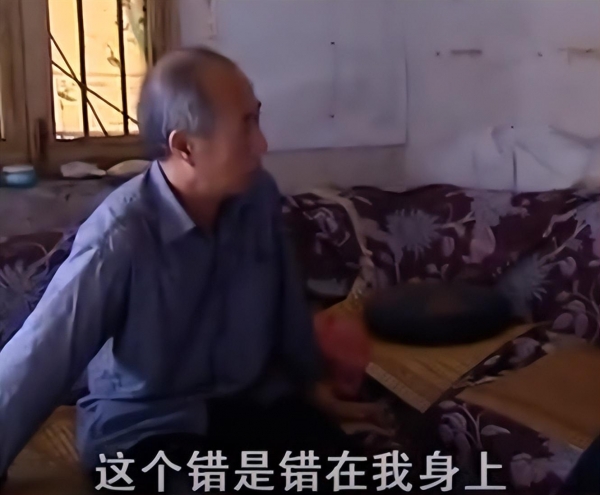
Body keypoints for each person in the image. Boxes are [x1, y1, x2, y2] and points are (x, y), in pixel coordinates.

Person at [0, 47, 383, 493]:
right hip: (147, 431)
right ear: (185, 146)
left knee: (361, 479)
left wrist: (311, 383)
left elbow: (285, 302)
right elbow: (41, 354)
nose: (262, 144)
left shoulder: (257, 196)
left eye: (257, 118)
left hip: (247, 406)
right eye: (246, 125)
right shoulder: (122, 235)